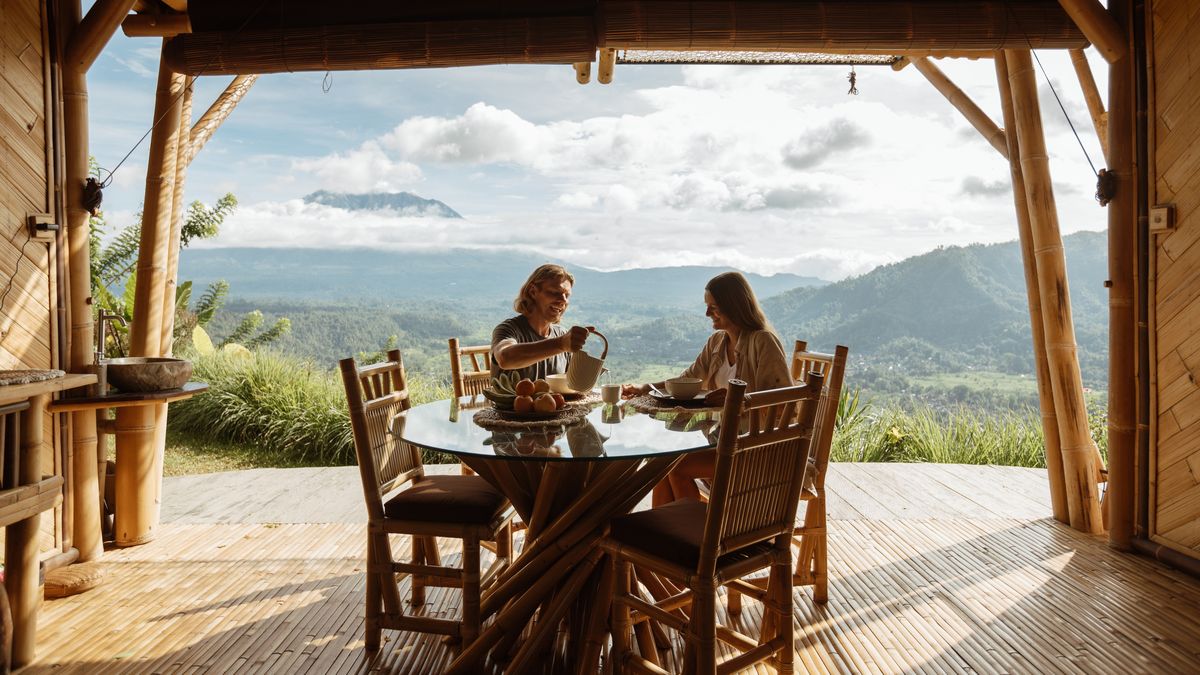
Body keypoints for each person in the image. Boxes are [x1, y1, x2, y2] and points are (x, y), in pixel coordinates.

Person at [622, 271, 792, 505]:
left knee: (676, 467)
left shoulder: (763, 341)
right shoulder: (717, 342)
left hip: (756, 448)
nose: (706, 313)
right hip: (721, 440)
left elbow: (781, 401)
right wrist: (646, 387)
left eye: (713, 307)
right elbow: (689, 379)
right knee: (660, 465)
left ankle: (695, 535)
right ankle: (665, 537)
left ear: (734, 305)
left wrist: (736, 399)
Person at [491, 264, 591, 383]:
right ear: (533, 292)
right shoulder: (509, 329)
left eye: (567, 295)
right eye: (555, 292)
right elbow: (505, 358)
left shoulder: (562, 333)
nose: (563, 300)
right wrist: (560, 344)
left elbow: (572, 384)